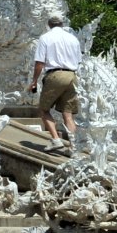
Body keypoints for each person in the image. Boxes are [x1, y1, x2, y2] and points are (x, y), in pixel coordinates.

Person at [28, 14, 82, 150]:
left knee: (43, 109)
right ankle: (73, 146)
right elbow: (79, 61)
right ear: (62, 25)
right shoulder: (73, 39)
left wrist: (34, 81)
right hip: (72, 75)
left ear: (49, 25)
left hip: (55, 75)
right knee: (68, 114)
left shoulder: (45, 38)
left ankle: (56, 140)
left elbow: (39, 63)